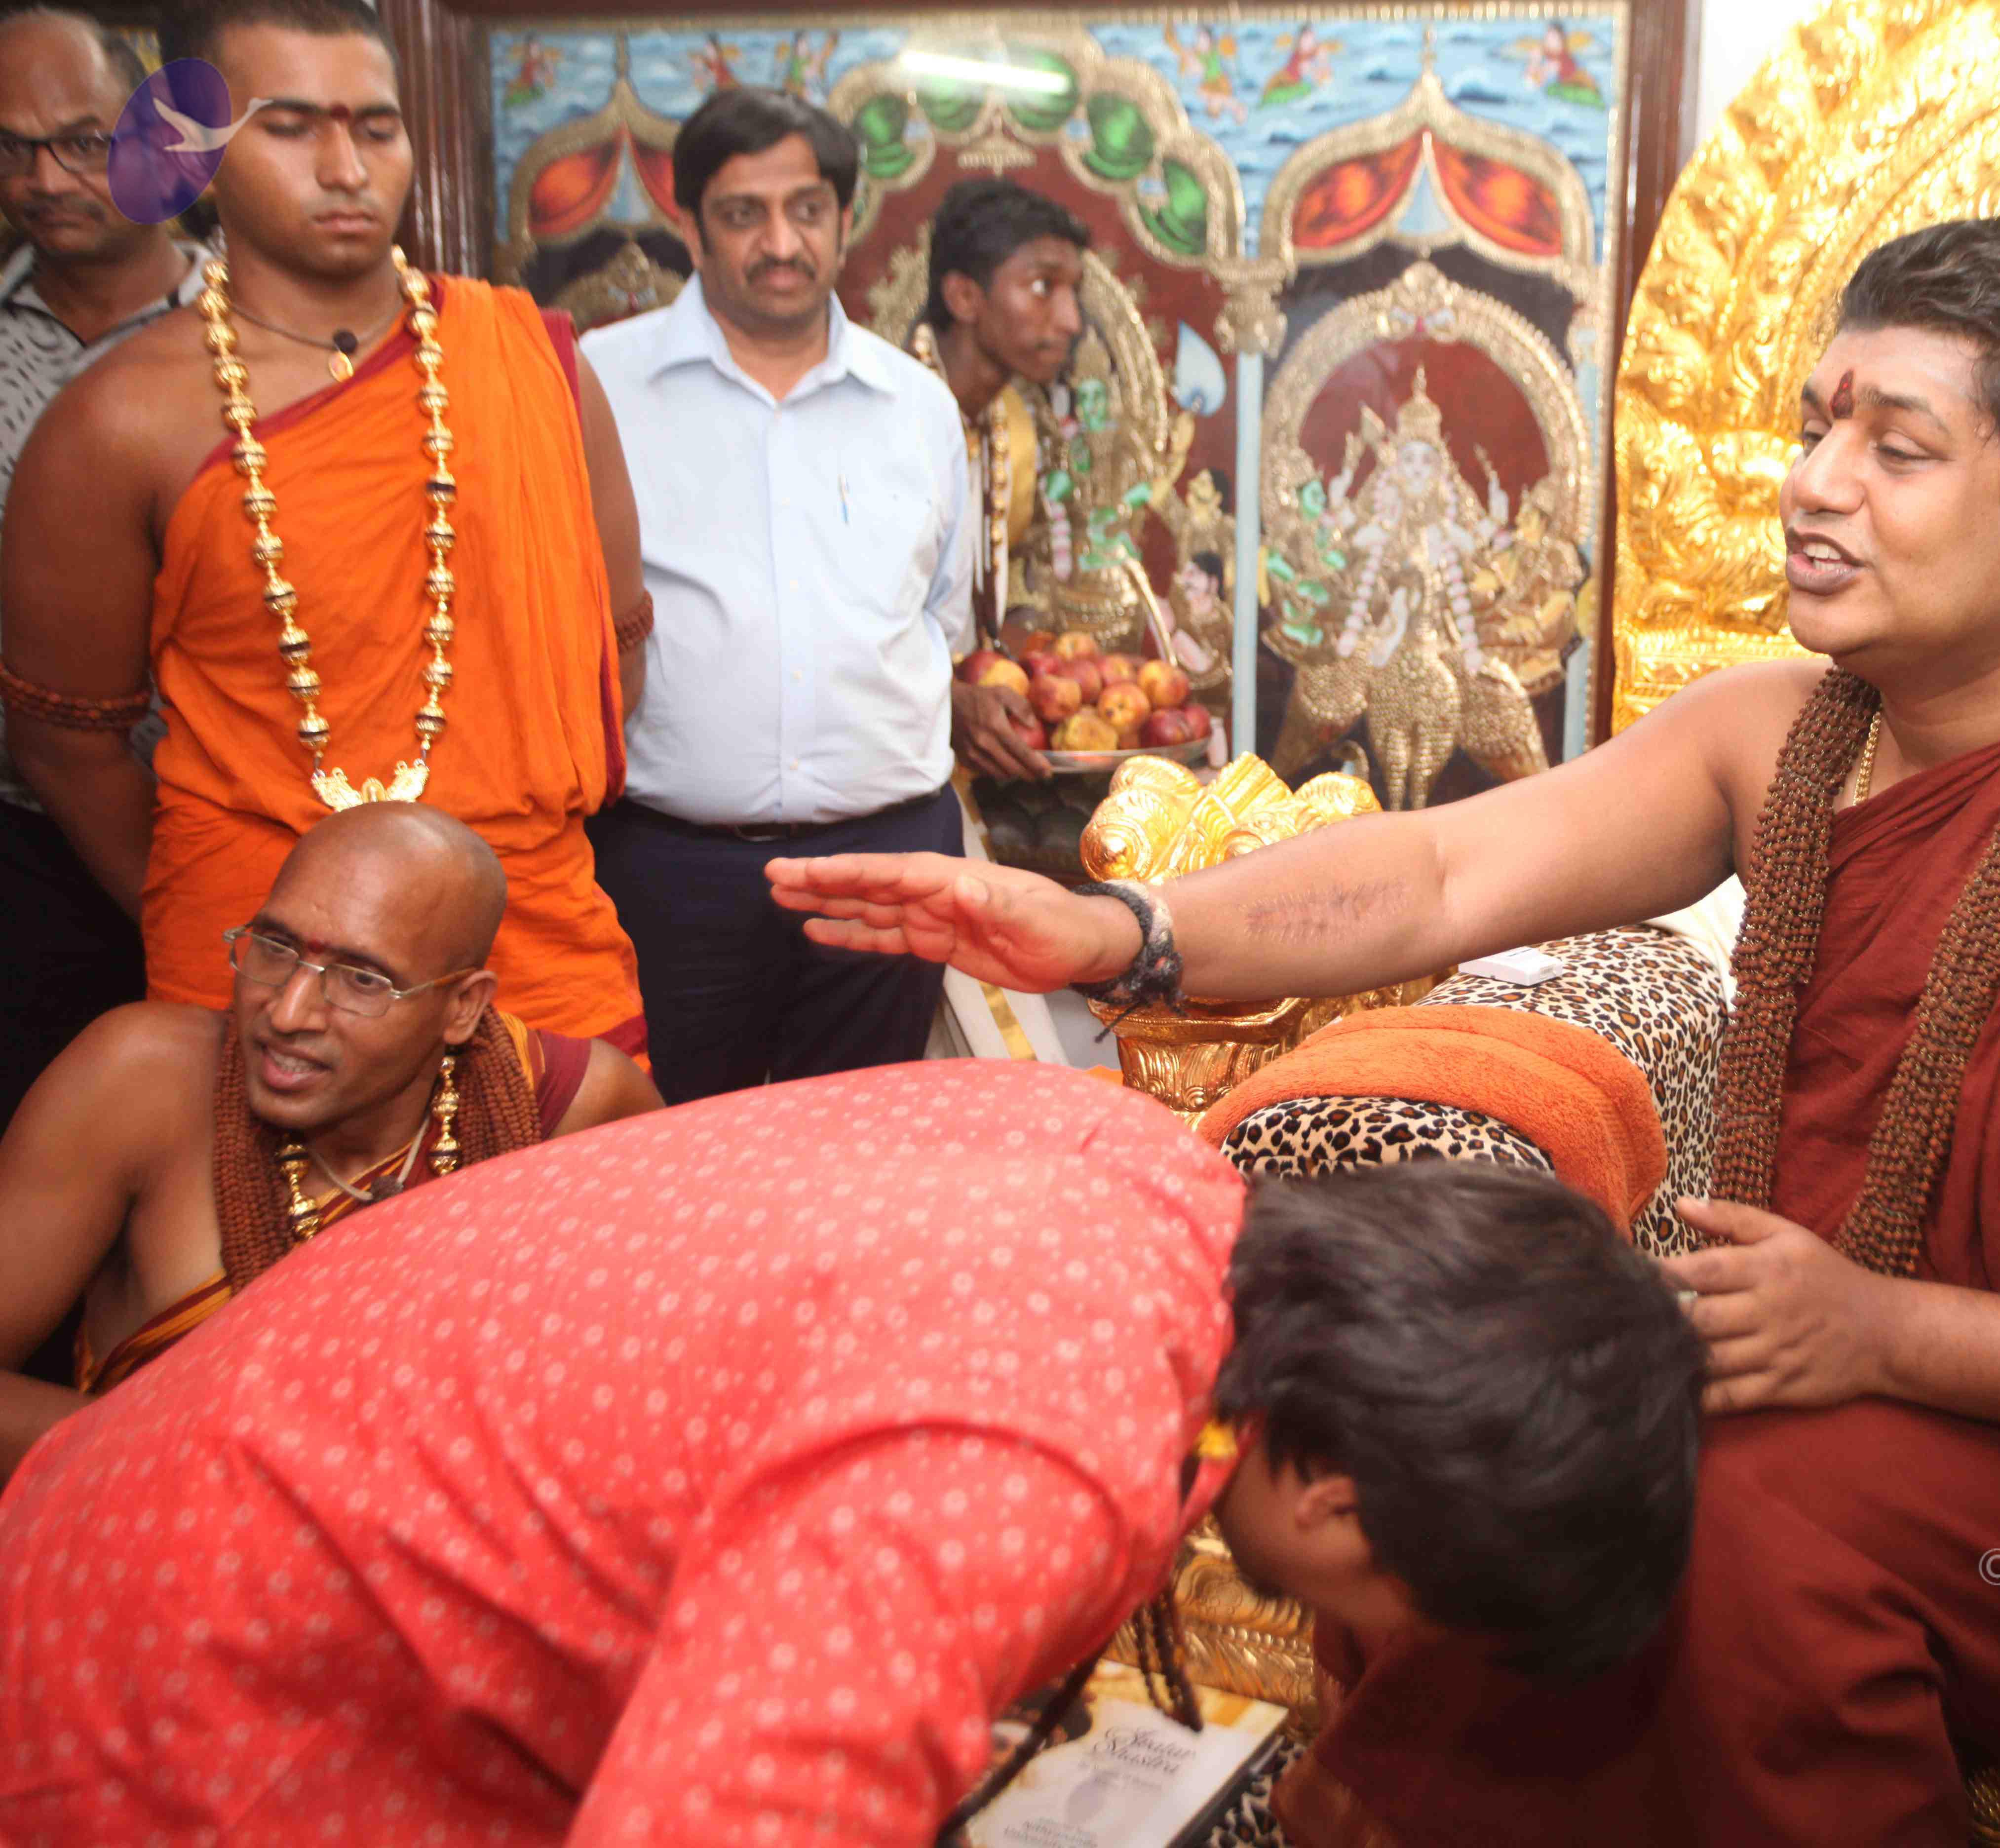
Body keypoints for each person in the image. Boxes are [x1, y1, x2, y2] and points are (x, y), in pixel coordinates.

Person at [769, 218, 2000, 1845]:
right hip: (1838, 1380)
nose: (1812, 485)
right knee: (1472, 1456)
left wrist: (1882, 1329)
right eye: (1815, 427)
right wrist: (1123, 931)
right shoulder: (1780, 737)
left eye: (1894, 449)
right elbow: (1442, 873)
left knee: (1699, 1516)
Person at [0, 1063, 1703, 1843]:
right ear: (1343, 1500)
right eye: (1408, 1620)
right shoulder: (1031, 1450)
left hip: (226, 1524)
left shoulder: (1136, 1173)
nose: (1362, 1653)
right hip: (195, 1689)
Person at [0, 0, 651, 1055]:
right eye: (291, 126)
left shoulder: (534, 364)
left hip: (528, 943)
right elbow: (62, 739)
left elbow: (615, 657)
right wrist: (230, 909)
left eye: (377, 128)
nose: (346, 169)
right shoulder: (118, 420)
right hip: (259, 973)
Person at [0, 801, 661, 1473]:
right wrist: (239, 1462)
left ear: (462, 1007)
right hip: (163, 1521)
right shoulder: (142, 1081)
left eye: (363, 980)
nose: (288, 1013)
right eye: (275, 947)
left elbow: (653, 1386)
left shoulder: (575, 1108)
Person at [580, 88, 1001, 1103]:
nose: (781, 242)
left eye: (807, 210)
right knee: (669, 1151)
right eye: (744, 214)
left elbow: (940, 621)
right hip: (670, 868)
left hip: (888, 859)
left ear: (845, 220)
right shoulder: (599, 384)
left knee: (857, 1150)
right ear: (691, 226)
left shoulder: (918, 404)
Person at [0, 7, 209, 1133]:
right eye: (11, 147)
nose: (43, 179)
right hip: (25, 848)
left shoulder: (269, 331)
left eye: (81, 141)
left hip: (238, 837)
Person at [919, 174, 1087, 767]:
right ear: (965, 297)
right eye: (1043, 287)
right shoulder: (880, 424)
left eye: (1073, 292)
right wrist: (944, 703)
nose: (1070, 320)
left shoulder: (1009, 424)